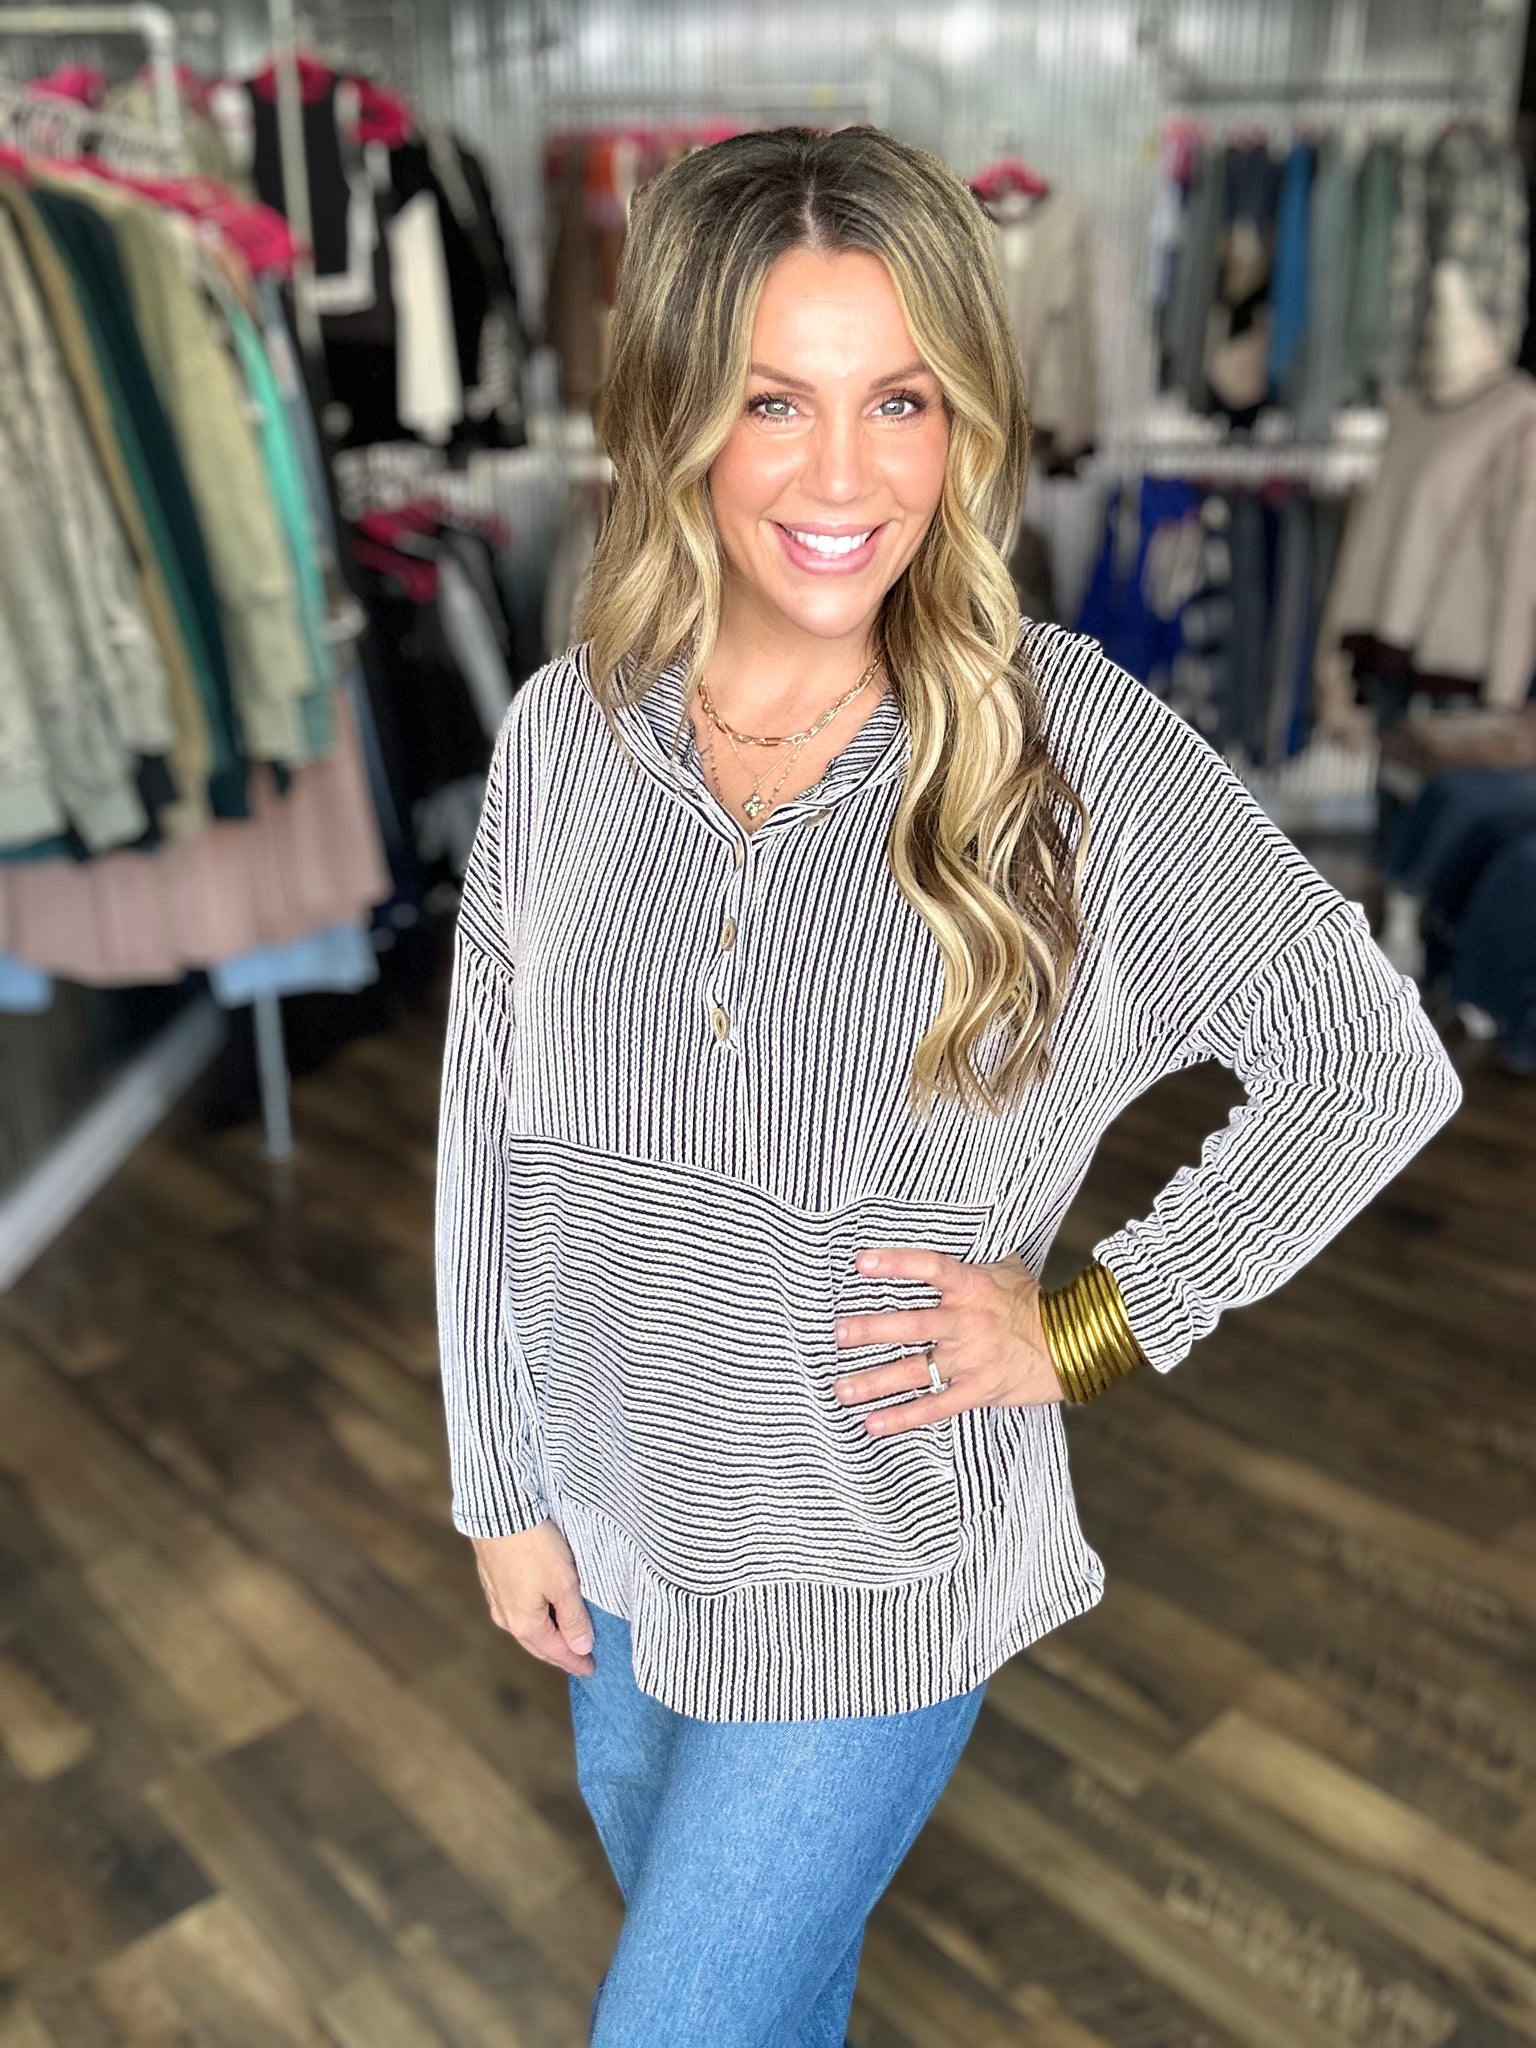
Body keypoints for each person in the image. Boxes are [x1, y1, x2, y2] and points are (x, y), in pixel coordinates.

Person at [434, 126, 1463, 2048]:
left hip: (874, 1571)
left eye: (900, 400)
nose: (844, 477)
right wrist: (500, 1484)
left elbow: (1367, 1061)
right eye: (774, 401)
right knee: (772, 2006)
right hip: (617, 1549)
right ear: (677, 416)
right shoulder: (567, 736)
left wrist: (1094, 1323)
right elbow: (489, 1148)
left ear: (966, 420)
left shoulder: (1065, 753)